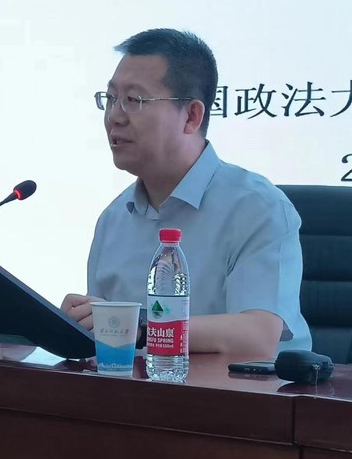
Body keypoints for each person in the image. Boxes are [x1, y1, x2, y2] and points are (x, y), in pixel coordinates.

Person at [62, 28, 311, 357]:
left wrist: (140, 326)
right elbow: (110, 347)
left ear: (191, 116)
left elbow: (258, 335)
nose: (114, 117)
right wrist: (77, 322)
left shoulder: (258, 207)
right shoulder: (113, 219)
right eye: (110, 99)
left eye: (134, 100)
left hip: (239, 389)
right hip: (135, 388)